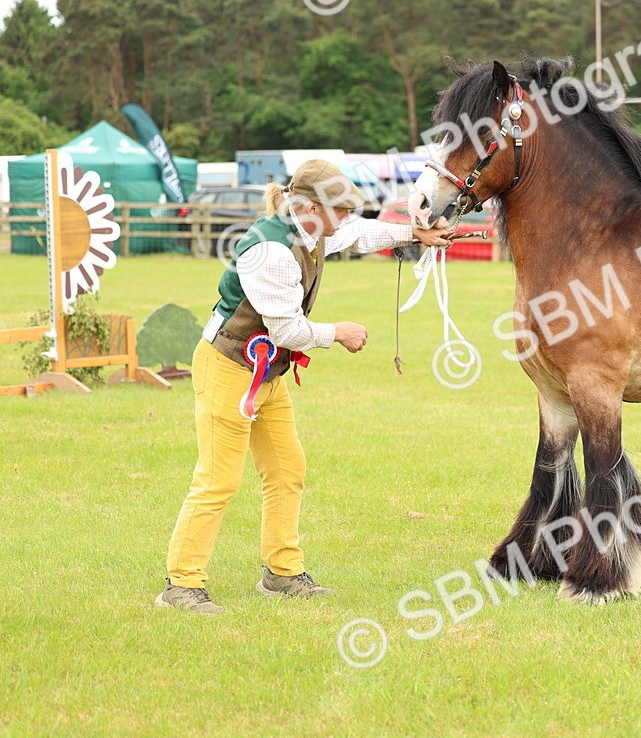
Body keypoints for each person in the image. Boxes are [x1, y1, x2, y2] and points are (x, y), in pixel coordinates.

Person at [156, 159, 452, 614]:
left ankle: (282, 573)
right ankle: (181, 585)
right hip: (228, 367)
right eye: (338, 210)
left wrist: (416, 235)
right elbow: (287, 332)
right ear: (311, 207)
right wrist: (339, 332)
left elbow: (357, 234)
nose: (344, 219)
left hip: (264, 373)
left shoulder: (311, 229)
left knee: (287, 470)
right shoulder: (271, 251)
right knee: (218, 480)